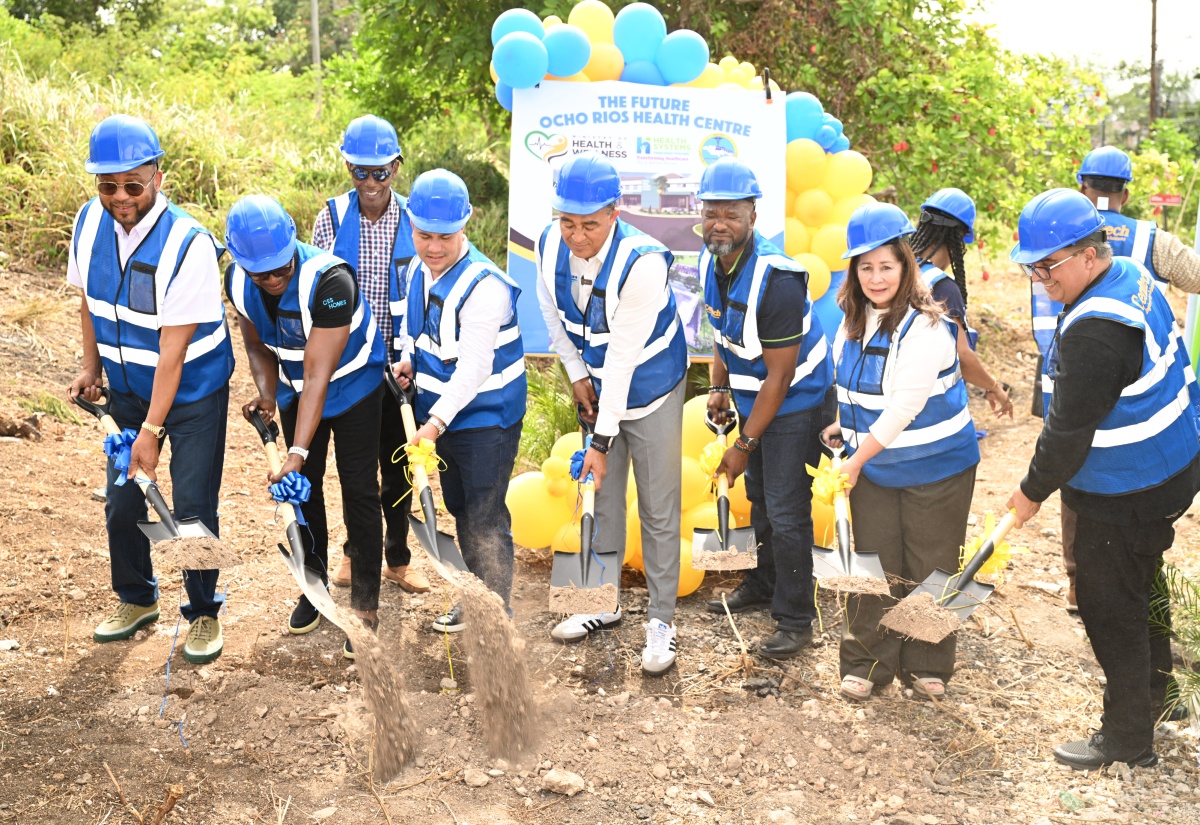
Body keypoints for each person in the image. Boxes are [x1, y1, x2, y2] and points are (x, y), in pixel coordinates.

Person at [1006, 189, 1200, 770]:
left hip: (1130, 484)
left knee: (1107, 604)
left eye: (1048, 265)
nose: (1040, 278)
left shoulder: (1096, 331)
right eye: (1032, 267)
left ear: (1091, 254)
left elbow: (1067, 435)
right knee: (1142, 580)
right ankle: (1160, 696)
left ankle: (1126, 738)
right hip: (1173, 462)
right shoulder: (1133, 273)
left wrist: (1029, 493)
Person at [67, 115, 235, 666]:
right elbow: (89, 300)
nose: (119, 197)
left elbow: (174, 351)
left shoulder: (188, 244)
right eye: (107, 185)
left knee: (189, 507)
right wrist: (92, 368)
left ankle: (204, 610)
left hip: (190, 396)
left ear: (159, 177)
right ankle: (137, 599)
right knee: (123, 503)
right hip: (128, 390)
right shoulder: (88, 223)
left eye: (132, 185)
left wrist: (152, 433)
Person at [535, 152, 687, 675]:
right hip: (598, 384)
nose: (577, 236)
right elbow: (553, 317)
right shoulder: (548, 243)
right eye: (568, 223)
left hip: (649, 385)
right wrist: (577, 375)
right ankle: (601, 601)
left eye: (590, 225)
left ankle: (662, 621)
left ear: (615, 213)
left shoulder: (642, 263)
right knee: (597, 493)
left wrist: (598, 443)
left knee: (658, 505)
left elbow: (622, 360)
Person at [821, 203, 980, 703]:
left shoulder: (928, 326)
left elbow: (905, 405)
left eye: (886, 265)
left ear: (905, 266)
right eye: (865, 267)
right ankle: (867, 662)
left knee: (931, 564)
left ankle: (928, 663)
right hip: (875, 461)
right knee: (870, 564)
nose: (875, 277)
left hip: (936, 466)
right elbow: (852, 388)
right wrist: (841, 425)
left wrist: (854, 459)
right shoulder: (851, 320)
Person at [223, 195, 387, 660]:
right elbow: (255, 342)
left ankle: (365, 607)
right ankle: (313, 586)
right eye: (262, 273)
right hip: (297, 388)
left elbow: (321, 373)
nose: (274, 280)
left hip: (353, 386)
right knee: (305, 490)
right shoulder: (238, 279)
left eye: (281, 268)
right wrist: (269, 393)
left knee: (359, 490)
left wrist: (296, 450)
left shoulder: (331, 280)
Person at [1043, 146, 1200, 612]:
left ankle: (1078, 580)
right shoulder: (1153, 240)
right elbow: (1195, 277)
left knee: (1071, 466)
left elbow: (1040, 314)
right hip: (1144, 392)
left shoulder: (1058, 241)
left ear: (1081, 186)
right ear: (1126, 193)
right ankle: (1138, 579)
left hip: (1074, 372)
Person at [695, 157, 833, 659]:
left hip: (796, 401)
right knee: (758, 499)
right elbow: (722, 333)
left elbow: (782, 375)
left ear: (753, 213)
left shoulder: (778, 279)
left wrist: (744, 444)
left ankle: (796, 620)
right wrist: (720, 388)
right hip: (757, 397)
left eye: (731, 212)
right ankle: (762, 583)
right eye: (711, 211)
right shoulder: (716, 261)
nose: (719, 223)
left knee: (786, 509)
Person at [392, 169, 526, 633]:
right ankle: (476, 598)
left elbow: (473, 369)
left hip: (487, 417)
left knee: (485, 516)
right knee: (462, 508)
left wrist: (432, 426)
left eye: (444, 237)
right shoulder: (415, 269)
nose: (433, 247)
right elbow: (416, 330)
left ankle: (496, 615)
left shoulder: (484, 287)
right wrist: (408, 360)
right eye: (424, 234)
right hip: (443, 414)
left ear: (464, 227)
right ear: (411, 226)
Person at [311, 114, 429, 596]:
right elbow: (316, 290)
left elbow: (427, 293)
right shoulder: (331, 217)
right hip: (349, 367)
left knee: (398, 463)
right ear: (347, 168)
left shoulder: (418, 222)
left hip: (401, 364)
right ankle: (355, 552)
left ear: (396, 168)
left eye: (380, 172)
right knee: (355, 470)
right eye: (360, 171)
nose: (371, 182)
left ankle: (398, 557)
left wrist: (414, 355)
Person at [910, 188, 1013, 420]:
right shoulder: (942, 287)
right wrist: (994, 388)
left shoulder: (895, 272)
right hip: (928, 411)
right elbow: (963, 356)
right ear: (958, 238)